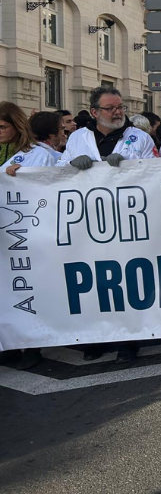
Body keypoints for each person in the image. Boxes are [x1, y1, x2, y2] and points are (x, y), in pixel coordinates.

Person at [59, 88, 155, 362]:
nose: (117, 112)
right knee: (95, 279)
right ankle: (98, 336)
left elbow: (156, 172)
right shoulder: (77, 138)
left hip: (127, 219)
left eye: (120, 107)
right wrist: (70, 164)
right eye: (110, 108)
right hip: (89, 221)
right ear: (95, 112)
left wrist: (130, 166)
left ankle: (128, 339)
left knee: (125, 279)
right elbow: (58, 170)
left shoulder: (140, 138)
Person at [0, 103, 58, 370]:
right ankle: (11, 344)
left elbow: (45, 189)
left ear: (18, 125)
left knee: (28, 290)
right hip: (5, 236)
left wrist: (21, 179)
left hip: (27, 235)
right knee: (7, 293)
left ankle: (33, 346)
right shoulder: (5, 152)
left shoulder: (37, 155)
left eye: (3, 127)